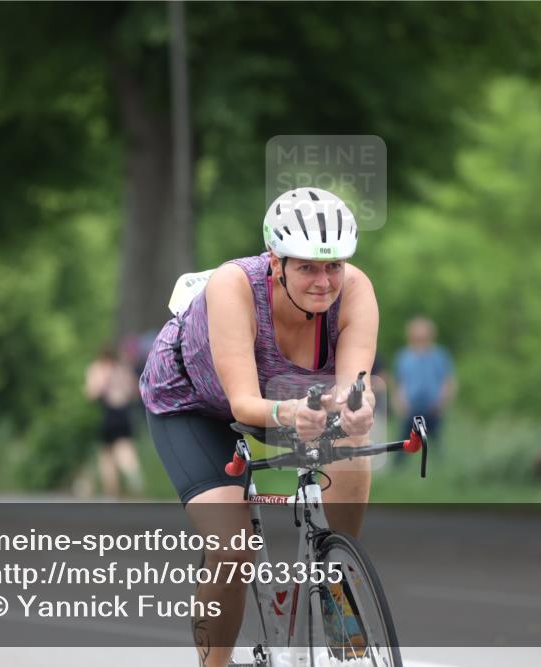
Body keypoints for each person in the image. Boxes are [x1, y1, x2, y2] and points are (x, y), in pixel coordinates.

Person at [140, 188, 378, 667]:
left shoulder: (355, 290)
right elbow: (245, 403)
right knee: (232, 549)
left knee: (352, 435)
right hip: (194, 401)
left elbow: (356, 384)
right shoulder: (234, 286)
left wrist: (357, 404)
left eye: (333, 266)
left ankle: (338, 577)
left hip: (284, 397)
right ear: (276, 262)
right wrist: (292, 414)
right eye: (307, 266)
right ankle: (216, 663)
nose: (323, 281)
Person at [391, 316, 456, 461]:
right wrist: (400, 403)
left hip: (433, 406)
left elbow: (447, 381)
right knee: (404, 443)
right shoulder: (404, 357)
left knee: (436, 444)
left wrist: (442, 401)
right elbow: (400, 383)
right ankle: (397, 473)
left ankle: (440, 471)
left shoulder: (440, 355)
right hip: (411, 407)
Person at [85, 342, 143, 497]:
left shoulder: (98, 368)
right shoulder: (122, 368)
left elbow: (92, 393)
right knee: (125, 448)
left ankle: (111, 492)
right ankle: (132, 475)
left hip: (108, 413)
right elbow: (135, 391)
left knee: (107, 454)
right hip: (124, 412)